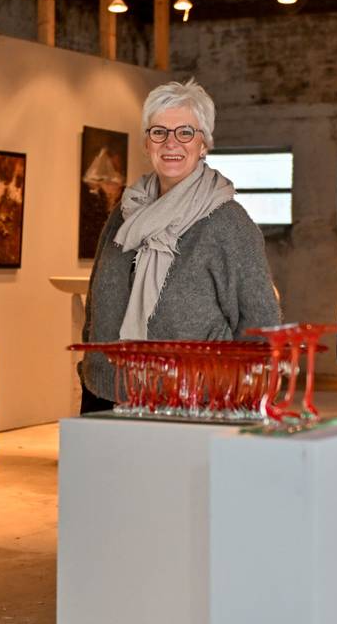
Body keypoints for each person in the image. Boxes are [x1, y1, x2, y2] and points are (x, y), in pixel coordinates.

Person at [81, 78, 280, 406]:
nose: (171, 143)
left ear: (204, 144)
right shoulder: (124, 214)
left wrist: (244, 399)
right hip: (108, 391)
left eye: (185, 132)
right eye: (159, 132)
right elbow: (96, 304)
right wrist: (89, 367)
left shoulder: (228, 222)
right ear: (147, 144)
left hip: (194, 399)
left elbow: (261, 325)